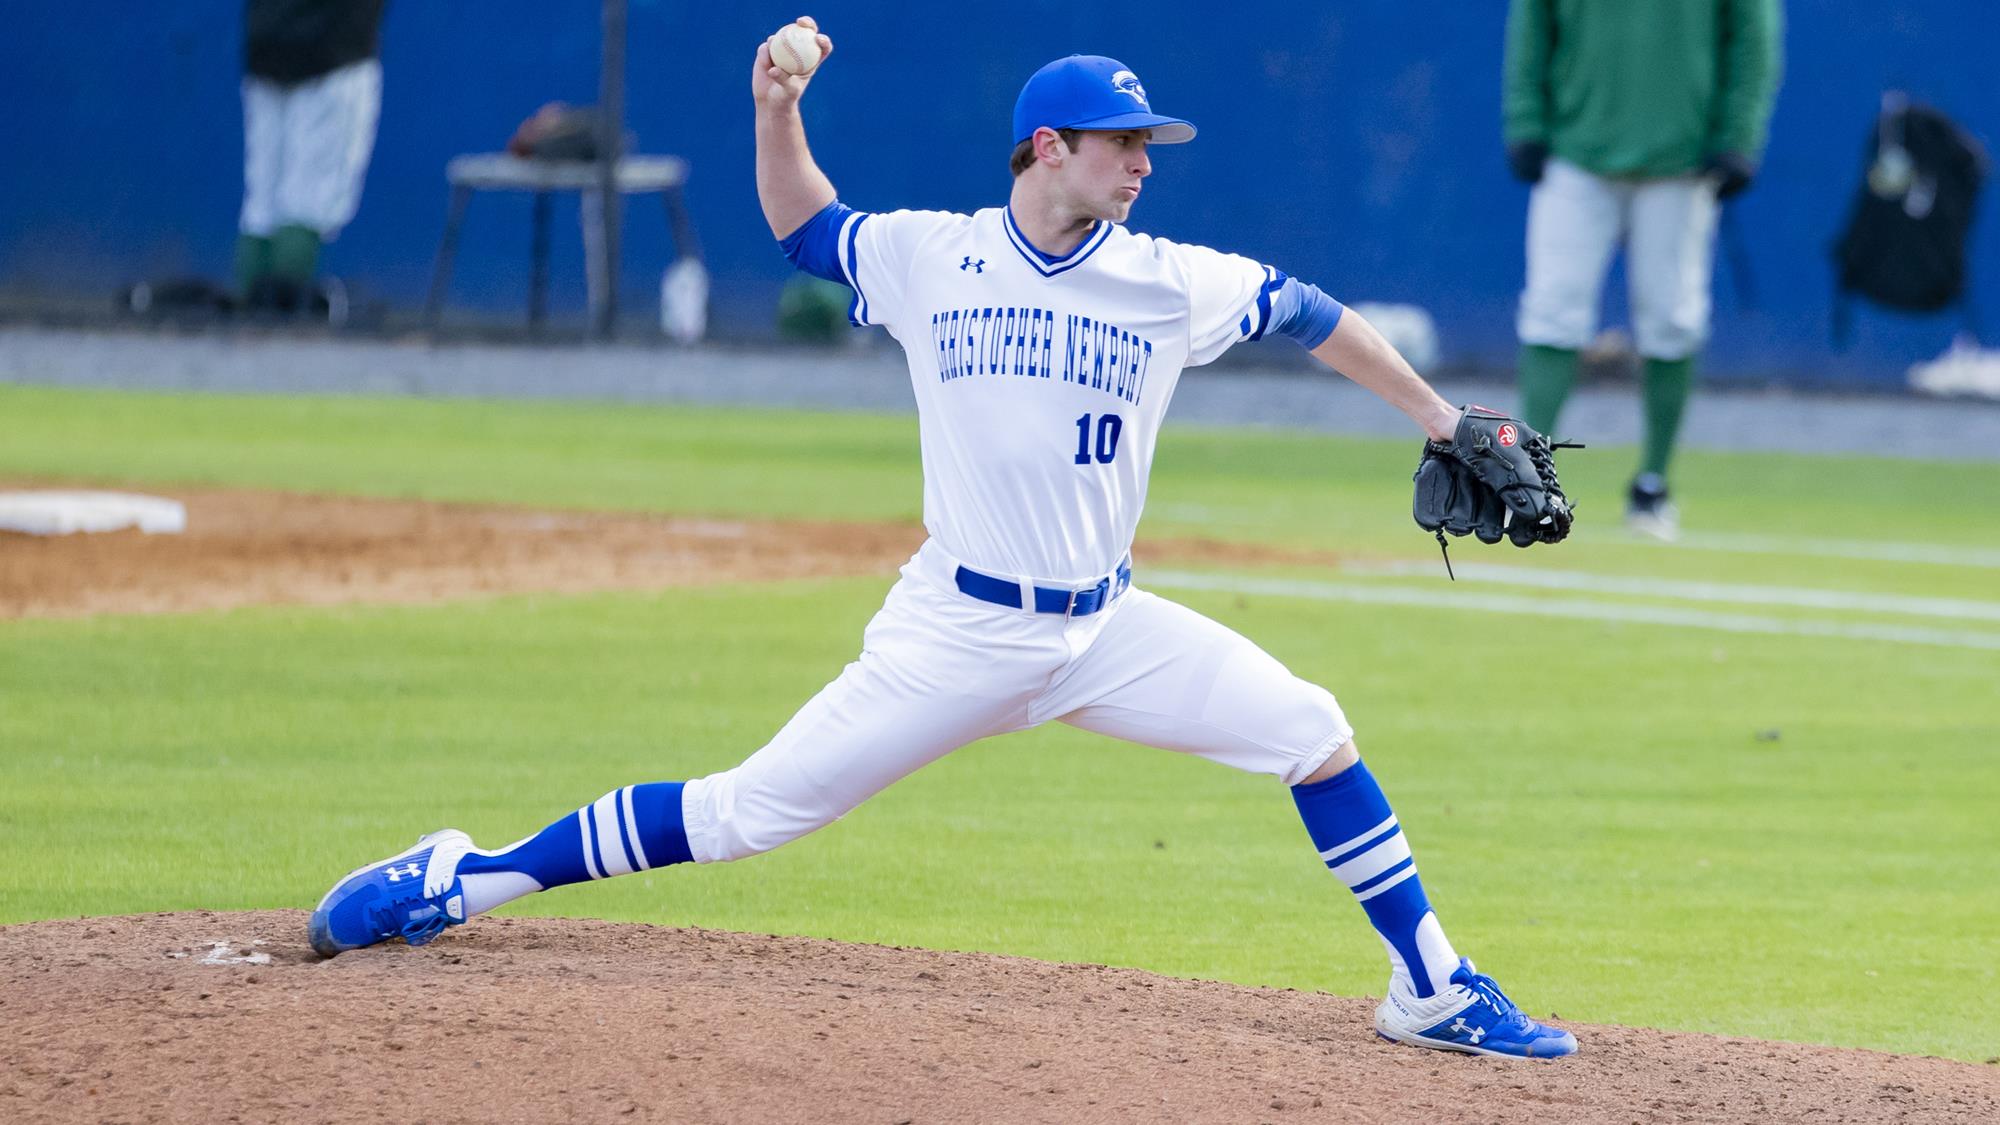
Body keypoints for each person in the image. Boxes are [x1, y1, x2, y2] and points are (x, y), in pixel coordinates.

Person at [307, 19, 1578, 1060]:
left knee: (1311, 729)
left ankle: (1430, 985)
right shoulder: (934, 258)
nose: (1142, 166)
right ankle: (465, 877)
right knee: (749, 813)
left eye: (1147, 147)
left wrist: (1442, 415)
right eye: (1121, 146)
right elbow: (806, 225)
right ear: (1046, 147)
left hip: (1101, 630)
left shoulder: (1167, 279)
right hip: (954, 632)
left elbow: (1312, 315)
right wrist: (773, 107)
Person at [1504, 0, 1782, 539]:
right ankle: (1528, 483)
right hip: (1576, 149)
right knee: (1552, 309)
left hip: (1682, 157)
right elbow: (1532, 24)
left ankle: (1652, 483)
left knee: (1672, 317)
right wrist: (1525, 119)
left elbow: (1753, 37)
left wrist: (1738, 135)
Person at [235, 0, 388, 314]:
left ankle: (247, 311)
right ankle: (283, 320)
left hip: (267, 43)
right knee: (308, 199)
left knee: (262, 202)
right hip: (332, 53)